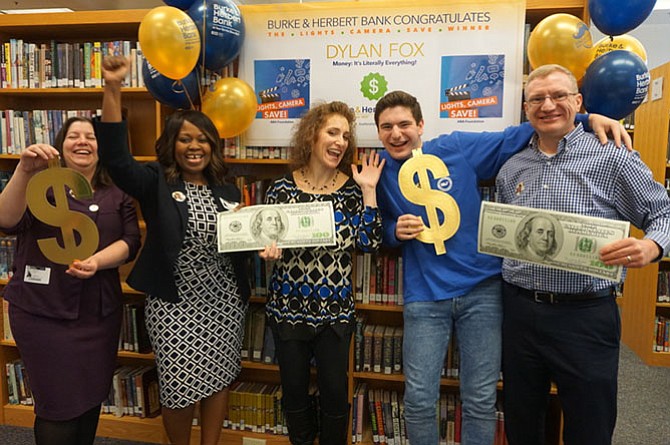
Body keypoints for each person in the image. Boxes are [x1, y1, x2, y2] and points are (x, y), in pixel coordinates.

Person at [373, 90, 632, 445]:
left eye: (404, 124)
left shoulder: (456, 147)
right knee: (418, 399)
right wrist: (393, 230)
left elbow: (524, 132)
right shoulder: (380, 170)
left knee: (480, 398)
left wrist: (587, 119)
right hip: (425, 297)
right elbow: (379, 229)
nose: (396, 134)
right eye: (386, 127)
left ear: (420, 125)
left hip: (483, 291)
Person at [496, 64, 670, 445]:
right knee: (522, 422)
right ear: (526, 110)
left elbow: (663, 212)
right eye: (537, 98)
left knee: (590, 425)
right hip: (520, 313)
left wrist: (652, 245)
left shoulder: (614, 157)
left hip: (585, 316)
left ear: (578, 102)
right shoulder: (511, 169)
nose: (548, 105)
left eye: (559, 96)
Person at [98, 56, 250, 445]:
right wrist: (112, 89)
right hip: (174, 306)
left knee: (218, 379)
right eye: (185, 138)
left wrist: (258, 240)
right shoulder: (155, 182)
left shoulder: (228, 190)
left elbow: (236, 247)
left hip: (223, 303)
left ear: (213, 146)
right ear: (172, 144)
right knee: (179, 384)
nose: (194, 146)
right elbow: (116, 161)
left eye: (202, 139)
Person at [0, 116, 141, 445]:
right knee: (57, 407)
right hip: (42, 314)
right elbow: (6, 220)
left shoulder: (116, 191)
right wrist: (23, 169)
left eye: (90, 137)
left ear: (100, 146)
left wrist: (96, 261)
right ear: (61, 147)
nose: (83, 142)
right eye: (73, 136)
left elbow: (130, 241)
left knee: (90, 399)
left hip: (98, 316)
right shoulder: (39, 185)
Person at [259, 101, 385, 445]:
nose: (340, 141)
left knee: (333, 392)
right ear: (312, 135)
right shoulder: (282, 189)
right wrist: (268, 249)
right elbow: (266, 238)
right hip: (288, 307)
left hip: (334, 313)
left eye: (345, 135)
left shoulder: (352, 189)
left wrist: (369, 191)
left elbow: (369, 244)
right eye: (332, 132)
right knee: (294, 391)